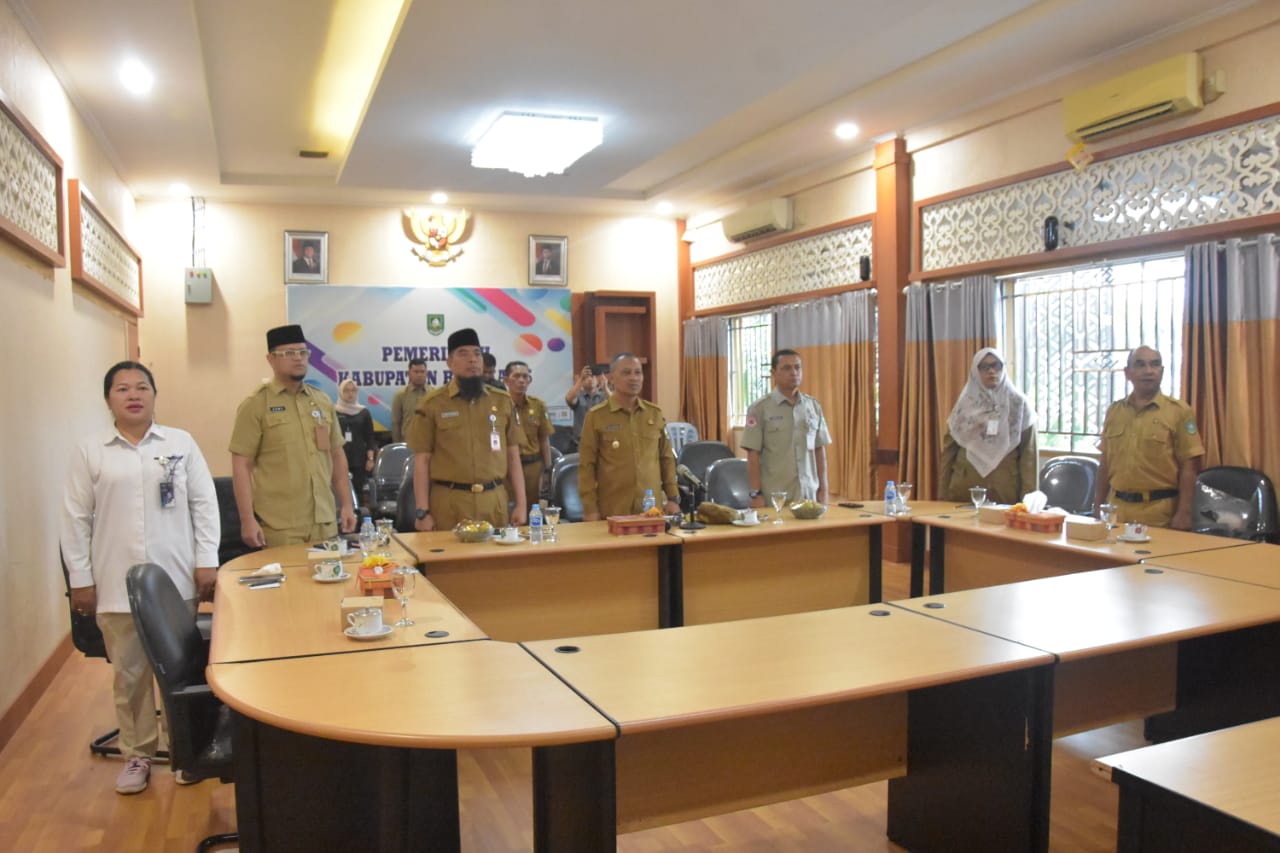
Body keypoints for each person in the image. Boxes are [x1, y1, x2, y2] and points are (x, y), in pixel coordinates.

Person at [60, 361, 220, 795]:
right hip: (115, 584)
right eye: (122, 388)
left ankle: (184, 752)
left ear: (154, 394)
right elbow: (75, 519)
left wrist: (207, 560)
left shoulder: (180, 443)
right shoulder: (91, 450)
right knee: (130, 677)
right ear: (108, 399)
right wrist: (81, 579)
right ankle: (137, 755)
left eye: (142, 387)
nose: (133, 395)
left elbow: (204, 504)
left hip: (175, 582)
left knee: (179, 672)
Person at [229, 324, 356, 548]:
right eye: (289, 353)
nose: (298, 358)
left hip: (324, 521)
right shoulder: (256, 405)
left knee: (330, 571)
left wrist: (347, 504)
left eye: (302, 352)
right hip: (280, 526)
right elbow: (241, 465)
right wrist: (247, 520)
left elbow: (336, 455)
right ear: (271, 359)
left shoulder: (322, 401)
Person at [408, 328, 527, 531]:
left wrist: (521, 504)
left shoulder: (502, 401)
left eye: (477, 354)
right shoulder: (432, 404)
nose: (472, 359)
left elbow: (513, 457)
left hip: (494, 502)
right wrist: (422, 512)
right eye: (463, 354)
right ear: (450, 363)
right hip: (449, 504)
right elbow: (422, 461)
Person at [1095, 345, 1204, 529]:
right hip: (1117, 510)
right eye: (1140, 365)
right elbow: (1105, 463)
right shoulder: (1115, 411)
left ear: (1162, 371)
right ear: (1127, 373)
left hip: (1158, 512)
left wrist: (1184, 512)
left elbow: (1189, 467)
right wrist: (1097, 504)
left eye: (1155, 364)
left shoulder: (1178, 412)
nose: (1148, 371)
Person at [579, 353, 680, 520]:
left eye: (638, 372)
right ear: (611, 378)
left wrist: (673, 497)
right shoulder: (596, 417)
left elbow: (666, 458)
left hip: (651, 510)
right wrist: (590, 509)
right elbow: (586, 466)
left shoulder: (654, 414)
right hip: (613, 509)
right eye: (626, 373)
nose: (634, 378)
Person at [938, 348, 1039, 506]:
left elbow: (1029, 457)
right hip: (964, 487)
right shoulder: (965, 404)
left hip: (1005, 488)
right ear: (975, 371)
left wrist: (1028, 502)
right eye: (984, 367)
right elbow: (949, 452)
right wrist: (942, 496)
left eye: (996, 365)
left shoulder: (1019, 405)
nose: (991, 371)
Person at [740, 349, 832, 507]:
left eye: (798, 367)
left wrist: (824, 489)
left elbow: (819, 450)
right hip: (776, 498)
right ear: (773, 373)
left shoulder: (813, 406)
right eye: (787, 368)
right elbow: (753, 456)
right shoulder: (759, 409)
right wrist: (755, 494)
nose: (794, 372)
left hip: (809, 495)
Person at [503, 360, 554, 507]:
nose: (521, 381)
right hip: (507, 468)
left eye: (525, 377)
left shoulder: (538, 405)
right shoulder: (499, 406)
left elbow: (544, 439)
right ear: (506, 380)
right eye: (516, 376)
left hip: (533, 467)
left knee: (533, 509)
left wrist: (548, 470)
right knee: (508, 509)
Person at [336, 379, 375, 506]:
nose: (350, 394)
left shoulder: (364, 412)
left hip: (359, 459)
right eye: (346, 390)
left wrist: (370, 459)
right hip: (339, 457)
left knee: (358, 491)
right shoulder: (334, 411)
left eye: (353, 390)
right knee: (339, 489)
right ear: (340, 392)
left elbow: (369, 438)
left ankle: (359, 515)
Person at [564, 364, 607, 451]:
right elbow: (569, 398)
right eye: (587, 377)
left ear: (597, 380)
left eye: (593, 376)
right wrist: (580, 379)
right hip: (580, 444)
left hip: (601, 443)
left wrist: (605, 388)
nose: (590, 379)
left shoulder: (604, 396)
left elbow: (616, 403)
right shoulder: (578, 396)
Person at [391, 358, 429, 442]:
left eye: (422, 372)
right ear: (409, 373)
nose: (419, 375)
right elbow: (396, 423)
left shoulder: (433, 394)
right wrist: (397, 445)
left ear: (427, 373)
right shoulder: (400, 396)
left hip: (429, 444)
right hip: (408, 444)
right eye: (416, 372)